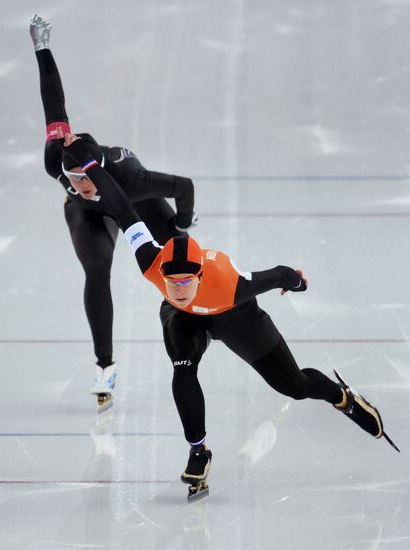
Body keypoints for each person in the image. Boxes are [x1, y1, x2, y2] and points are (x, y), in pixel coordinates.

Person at [60, 132, 397, 487]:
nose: (177, 288)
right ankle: (198, 450)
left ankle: (343, 398)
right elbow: (119, 204)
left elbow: (279, 274)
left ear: (199, 274)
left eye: (184, 282)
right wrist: (86, 159)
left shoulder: (230, 281)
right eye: (170, 282)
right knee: (184, 368)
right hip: (184, 319)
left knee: (294, 386)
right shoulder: (149, 259)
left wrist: (297, 282)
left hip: (233, 313)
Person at [30, 15, 198, 409]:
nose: (82, 185)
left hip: (132, 200)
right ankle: (105, 364)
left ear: (98, 170)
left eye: (86, 179)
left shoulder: (130, 175)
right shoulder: (56, 158)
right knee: (97, 269)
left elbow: (184, 187)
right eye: (74, 180)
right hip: (89, 217)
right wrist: (42, 46)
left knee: (179, 250)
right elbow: (53, 99)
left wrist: (182, 223)